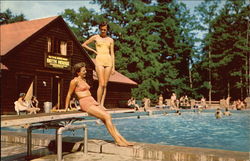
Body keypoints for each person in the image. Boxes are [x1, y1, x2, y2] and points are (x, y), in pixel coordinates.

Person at [65, 62, 134, 147]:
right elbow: (69, 94)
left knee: (107, 118)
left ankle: (123, 140)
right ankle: (118, 141)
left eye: (85, 70)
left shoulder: (84, 80)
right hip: (85, 103)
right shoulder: (74, 81)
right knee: (107, 117)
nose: (85, 72)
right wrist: (66, 107)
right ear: (77, 72)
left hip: (92, 101)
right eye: (83, 71)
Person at [82, 22, 115, 109]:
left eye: (105, 29)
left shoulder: (110, 40)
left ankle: (102, 104)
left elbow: (112, 53)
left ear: (107, 30)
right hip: (99, 60)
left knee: (105, 85)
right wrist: (93, 50)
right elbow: (84, 44)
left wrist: (113, 67)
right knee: (101, 83)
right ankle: (98, 103)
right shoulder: (96, 37)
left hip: (108, 61)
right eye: (102, 29)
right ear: (99, 29)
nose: (103, 31)